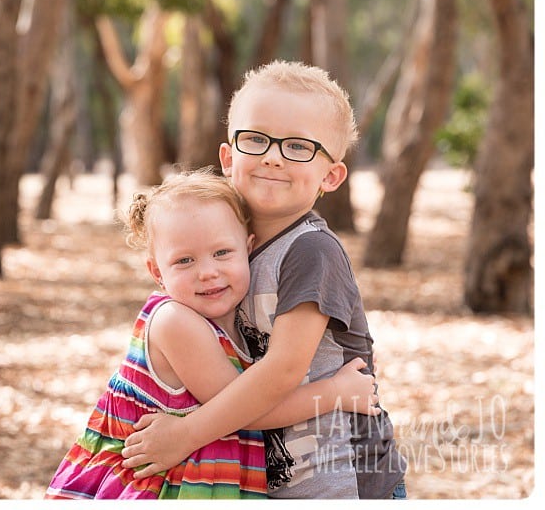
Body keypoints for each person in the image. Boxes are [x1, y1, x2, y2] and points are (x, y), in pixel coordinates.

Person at [121, 61, 408, 499]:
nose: (272, 155)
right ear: (228, 157)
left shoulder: (311, 252)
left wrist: (186, 434)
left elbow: (281, 372)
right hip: (270, 478)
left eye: (298, 146)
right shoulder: (226, 249)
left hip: (340, 476)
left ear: (330, 176)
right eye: (256, 139)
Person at [45, 168, 380, 500]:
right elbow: (250, 407)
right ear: (157, 272)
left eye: (222, 253)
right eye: (184, 261)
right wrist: (336, 391)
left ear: (248, 248)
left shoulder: (239, 319)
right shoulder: (176, 322)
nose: (207, 272)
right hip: (154, 489)